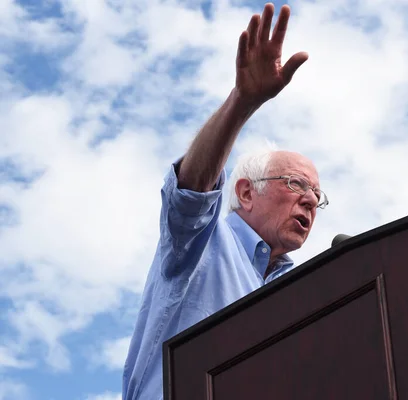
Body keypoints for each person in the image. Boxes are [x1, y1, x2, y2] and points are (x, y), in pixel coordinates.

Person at [122, 3, 328, 399]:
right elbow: (191, 193)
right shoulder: (200, 241)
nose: (310, 201)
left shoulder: (301, 292)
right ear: (246, 192)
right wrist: (243, 102)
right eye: (296, 184)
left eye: (317, 196)